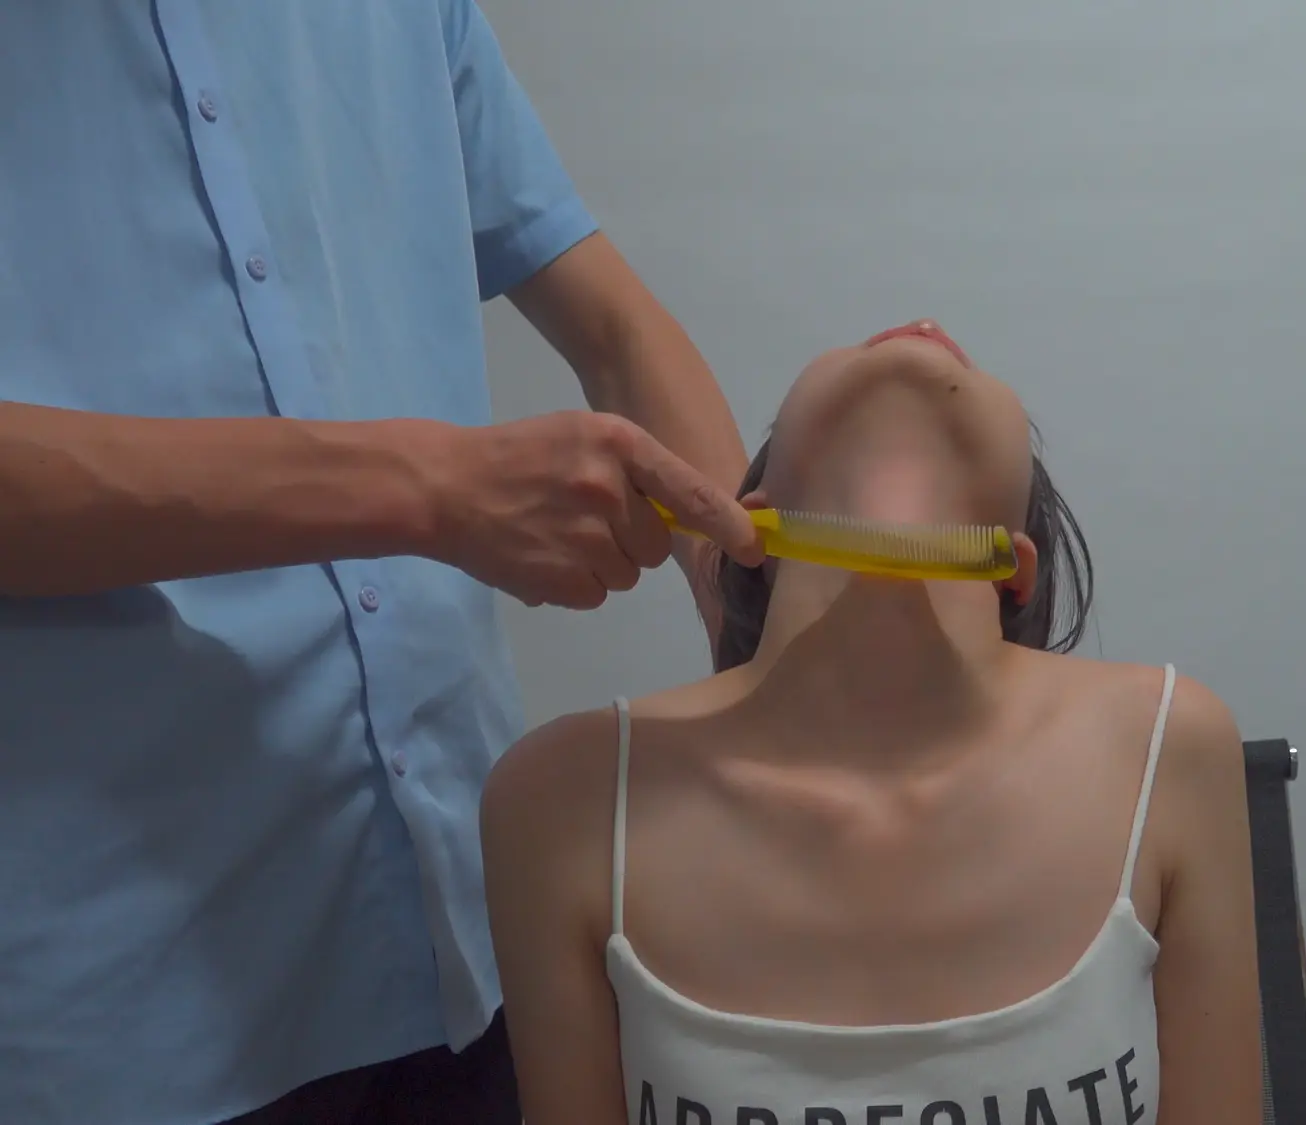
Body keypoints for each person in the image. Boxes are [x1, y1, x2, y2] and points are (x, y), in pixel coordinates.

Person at [0, 4, 763, 1124]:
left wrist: (757, 642)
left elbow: (612, 327)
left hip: (474, 934)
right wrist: (429, 489)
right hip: (120, 1015)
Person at [480, 319, 1266, 1124]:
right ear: (751, 523)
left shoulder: (1164, 747)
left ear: (1016, 567)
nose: (920, 334)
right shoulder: (567, 800)